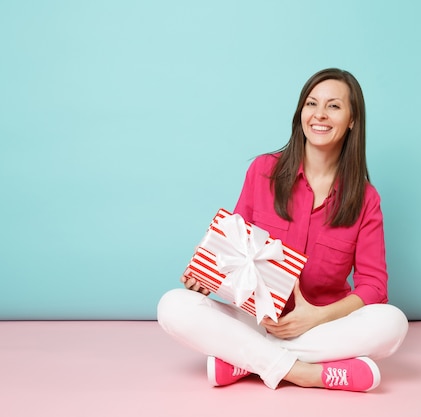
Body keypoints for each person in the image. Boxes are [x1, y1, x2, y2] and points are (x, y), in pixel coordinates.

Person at [157, 68, 408, 392]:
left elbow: (374, 286)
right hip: (255, 321)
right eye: (311, 103)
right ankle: (304, 372)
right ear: (300, 112)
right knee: (174, 306)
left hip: (323, 327)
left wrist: (315, 317)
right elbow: (235, 245)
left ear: (352, 121)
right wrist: (210, 272)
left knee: (392, 323)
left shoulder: (366, 199)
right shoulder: (263, 170)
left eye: (333, 106)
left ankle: (246, 361)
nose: (319, 114)